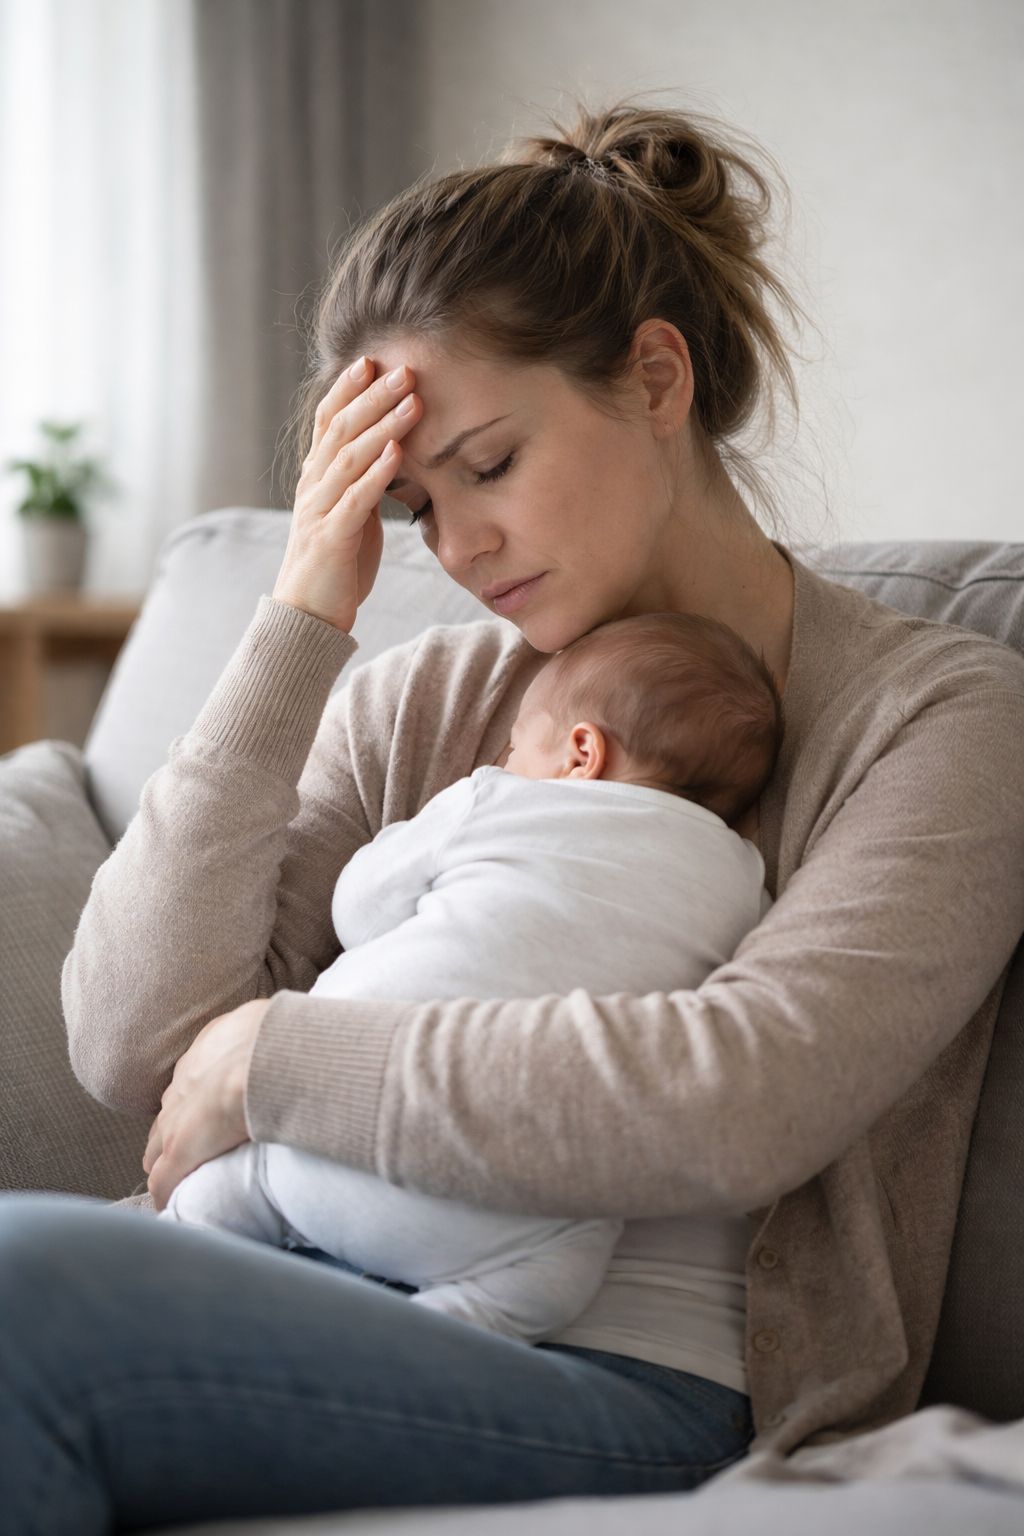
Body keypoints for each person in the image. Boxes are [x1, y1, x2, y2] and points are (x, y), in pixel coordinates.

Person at [2, 92, 1023, 1532]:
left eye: (488, 465)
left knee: (27, 1294)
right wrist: (301, 615)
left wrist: (274, 1061)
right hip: (322, 1289)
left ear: (657, 380)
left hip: (655, 1394)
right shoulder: (416, 699)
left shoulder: (941, 720)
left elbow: (736, 1100)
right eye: (415, 506)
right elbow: (129, 1042)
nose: (459, 544)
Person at [157, 610, 780, 1351]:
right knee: (559, 1264)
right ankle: (434, 1340)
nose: (507, 760)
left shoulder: (494, 800)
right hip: (510, 1217)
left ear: (582, 752)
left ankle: (163, 1276)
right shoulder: (745, 882)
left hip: (321, 1137)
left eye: (519, 745)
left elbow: (358, 908)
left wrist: (424, 837)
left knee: (223, 1195)